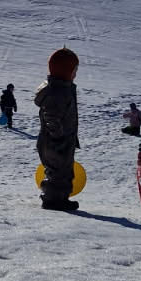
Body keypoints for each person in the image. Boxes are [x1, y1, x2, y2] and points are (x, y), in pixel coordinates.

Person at [35, 47, 80, 212]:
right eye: (74, 70)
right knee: (57, 172)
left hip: (61, 139)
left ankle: (61, 198)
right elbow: (51, 116)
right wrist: (58, 136)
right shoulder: (58, 92)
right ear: (65, 71)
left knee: (64, 171)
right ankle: (52, 200)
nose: (75, 74)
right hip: (55, 141)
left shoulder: (62, 89)